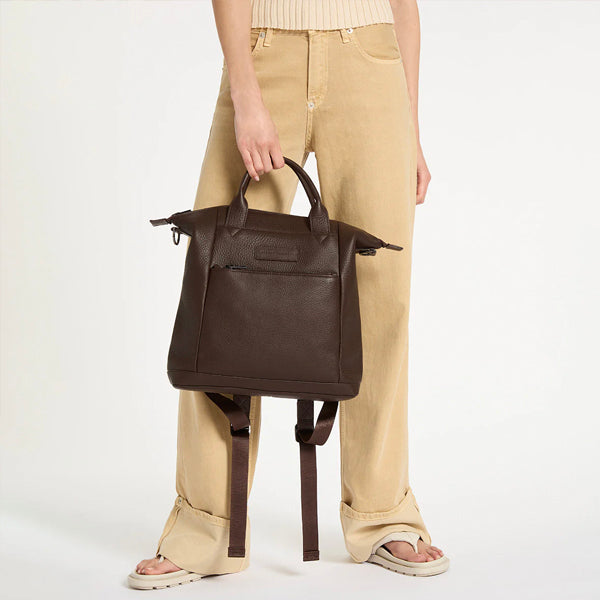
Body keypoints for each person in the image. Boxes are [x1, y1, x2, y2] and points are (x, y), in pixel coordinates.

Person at [128, 0, 448, 589]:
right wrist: (246, 93)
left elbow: (404, 5)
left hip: (373, 65)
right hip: (265, 53)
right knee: (220, 291)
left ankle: (382, 514)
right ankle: (205, 527)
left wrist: (411, 127)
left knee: (382, 300)